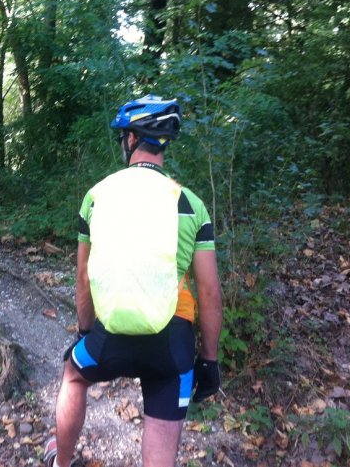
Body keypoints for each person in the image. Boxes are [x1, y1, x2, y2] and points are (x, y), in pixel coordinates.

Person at [44, 95, 223, 467]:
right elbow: (208, 292)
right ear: (163, 143)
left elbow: (83, 276)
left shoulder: (97, 196)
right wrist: (209, 360)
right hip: (172, 343)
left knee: (74, 374)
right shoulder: (190, 203)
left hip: (109, 336)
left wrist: (84, 332)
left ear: (130, 140)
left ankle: (60, 463)